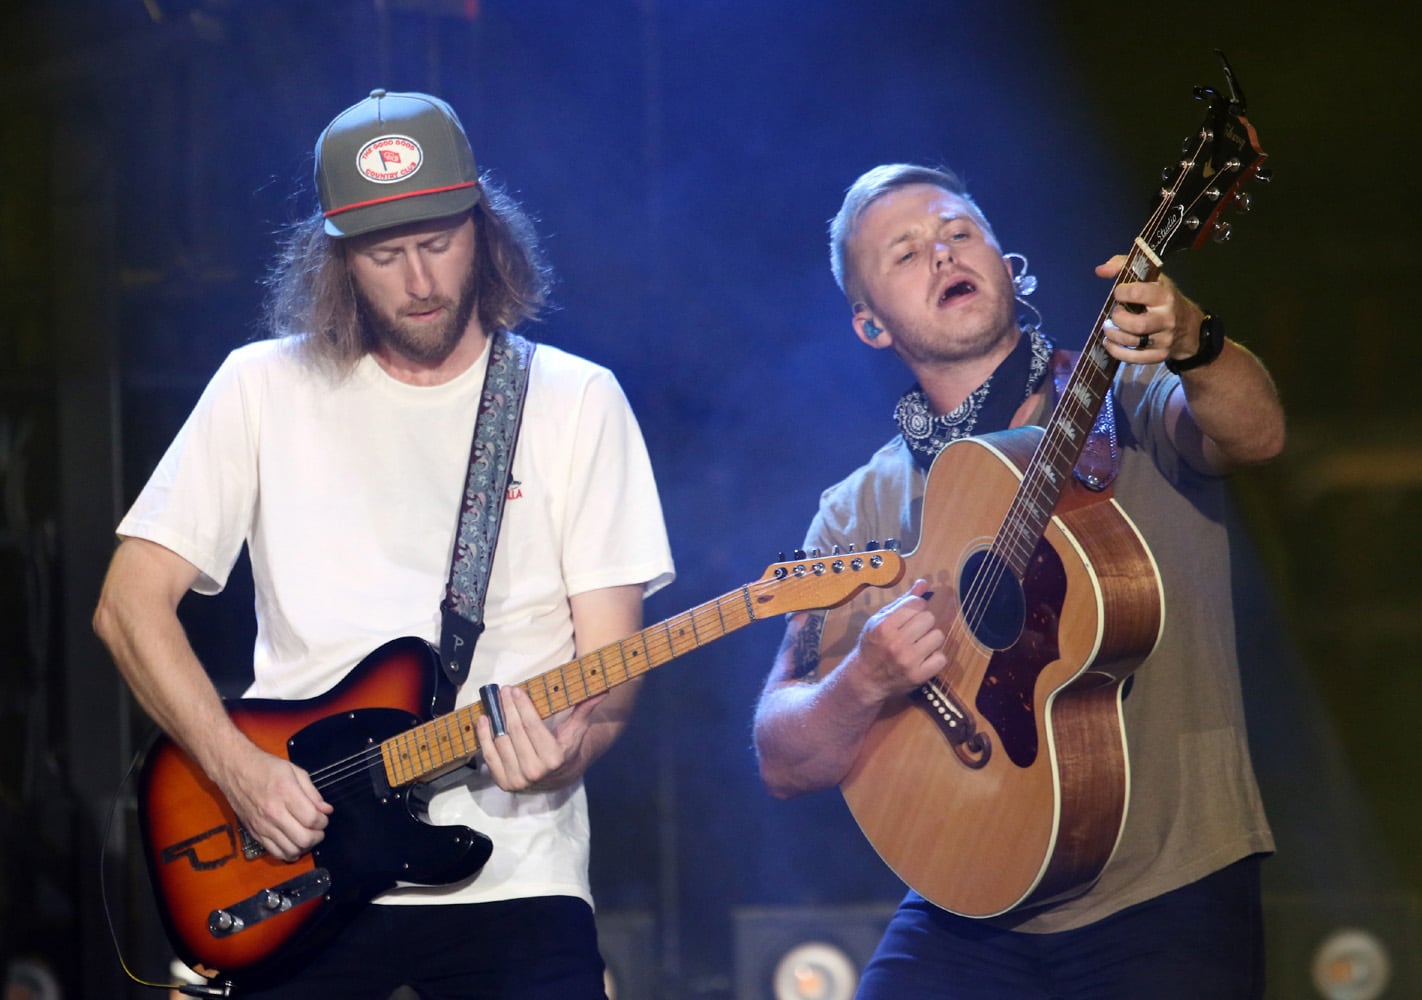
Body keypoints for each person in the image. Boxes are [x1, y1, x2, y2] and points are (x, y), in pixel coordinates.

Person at [93, 89, 674, 998]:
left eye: (439, 243)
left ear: (483, 226)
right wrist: (235, 769)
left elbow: (612, 671)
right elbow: (128, 605)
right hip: (293, 868)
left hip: (519, 873)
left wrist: (571, 748)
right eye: (384, 253)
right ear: (336, 260)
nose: (420, 282)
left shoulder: (575, 400)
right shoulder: (260, 387)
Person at [752, 163, 1285, 998]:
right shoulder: (859, 509)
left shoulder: (1130, 395)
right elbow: (783, 757)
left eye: (959, 232)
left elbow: (1258, 434)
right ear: (870, 326)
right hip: (968, 901)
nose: (941, 254)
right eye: (905, 253)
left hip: (1168, 886)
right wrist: (864, 681)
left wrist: (1198, 342)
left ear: (1006, 262)